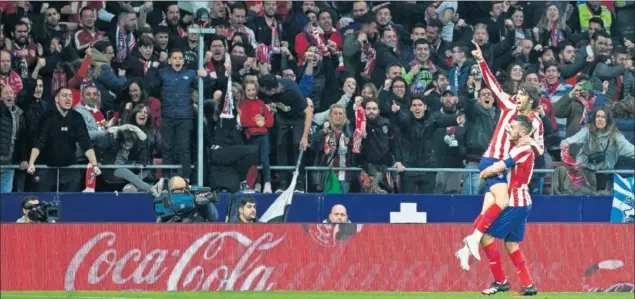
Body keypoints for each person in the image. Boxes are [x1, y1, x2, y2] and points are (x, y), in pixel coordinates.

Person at [458, 42, 545, 261]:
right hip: (494, 160)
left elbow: (541, 149)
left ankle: (468, 247)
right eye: (519, 92)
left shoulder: (536, 122)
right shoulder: (508, 105)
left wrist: (530, 141)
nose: (517, 95)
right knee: (502, 202)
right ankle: (472, 240)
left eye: (523, 93)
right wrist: (481, 61)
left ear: (531, 100)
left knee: (488, 208)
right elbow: (494, 85)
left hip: (506, 168)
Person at [456, 115, 538, 296]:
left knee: (486, 238)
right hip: (523, 201)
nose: (508, 129)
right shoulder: (523, 147)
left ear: (522, 131)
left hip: (515, 202)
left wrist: (485, 173)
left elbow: (500, 166)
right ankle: (528, 285)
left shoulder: (522, 149)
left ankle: (501, 281)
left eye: (513, 127)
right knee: (511, 245)